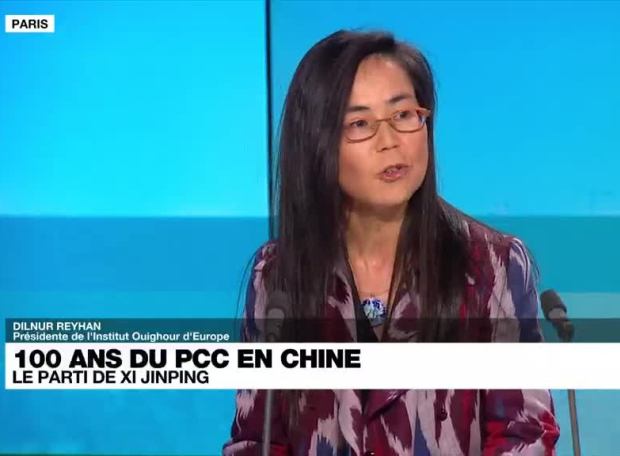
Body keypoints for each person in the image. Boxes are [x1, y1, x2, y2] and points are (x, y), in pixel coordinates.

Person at [223, 29, 560, 456]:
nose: (390, 142)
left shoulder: (493, 266)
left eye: (403, 115)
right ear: (317, 144)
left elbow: (525, 435)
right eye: (360, 124)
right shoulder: (277, 277)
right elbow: (258, 441)